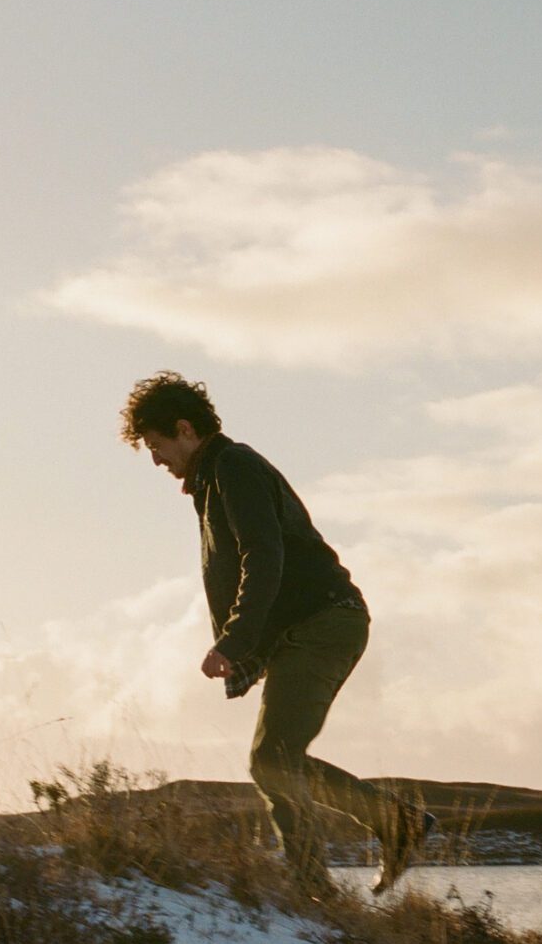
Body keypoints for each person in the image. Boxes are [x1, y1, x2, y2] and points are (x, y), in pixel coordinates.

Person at [122, 372, 430, 894]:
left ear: (185, 429)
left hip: (324, 621)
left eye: (156, 445)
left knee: (273, 760)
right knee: (274, 761)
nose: (155, 459)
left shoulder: (233, 466)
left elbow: (263, 557)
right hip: (308, 627)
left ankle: (320, 882)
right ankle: (364, 847)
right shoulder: (214, 477)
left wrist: (235, 641)